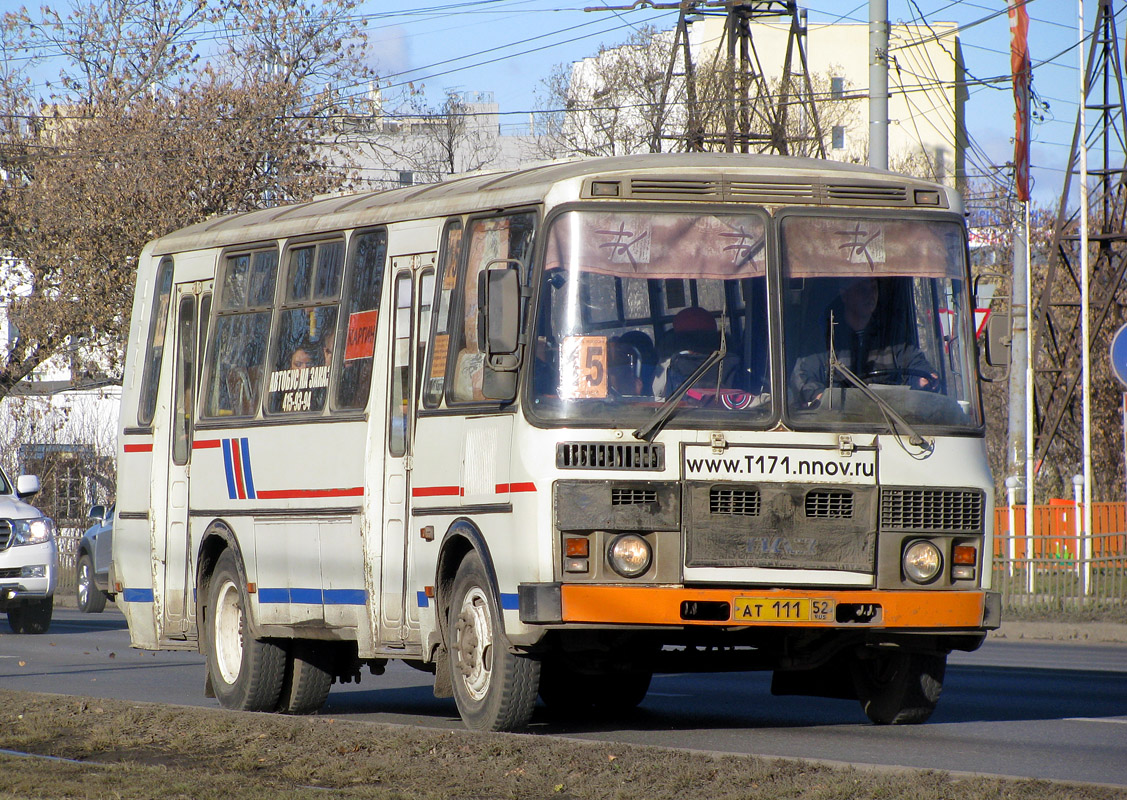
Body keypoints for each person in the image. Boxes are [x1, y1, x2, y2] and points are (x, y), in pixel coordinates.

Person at [790, 276, 938, 408]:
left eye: (873, 288)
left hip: (892, 423)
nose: (870, 295)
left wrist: (923, 379)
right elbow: (801, 377)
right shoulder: (823, 339)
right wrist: (821, 397)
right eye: (862, 289)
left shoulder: (893, 338)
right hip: (837, 422)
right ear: (844, 294)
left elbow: (918, 369)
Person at [652, 307, 739, 398]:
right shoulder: (732, 360)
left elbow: (657, 393)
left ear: (676, 337)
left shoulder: (668, 363)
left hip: (681, 411)